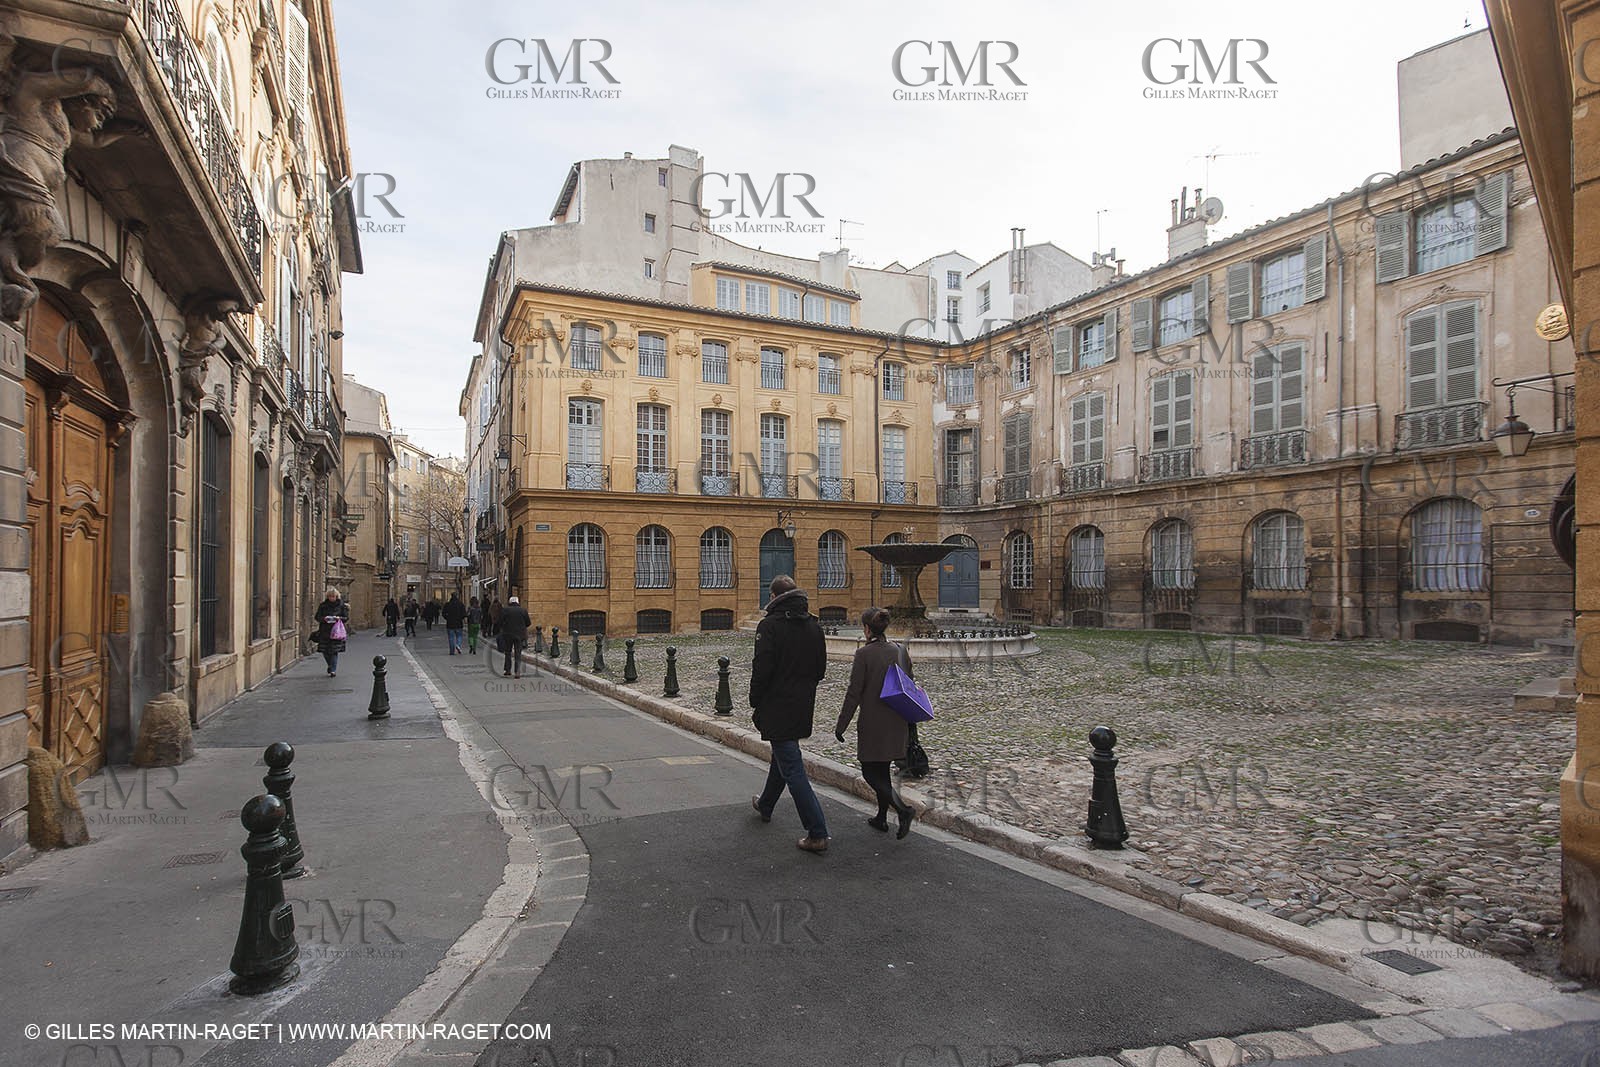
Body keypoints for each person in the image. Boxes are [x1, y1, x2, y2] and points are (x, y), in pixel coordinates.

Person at [749, 575, 830, 852]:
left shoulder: (769, 626)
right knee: (782, 755)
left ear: (773, 597)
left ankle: (817, 831)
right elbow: (821, 670)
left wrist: (755, 699)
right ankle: (766, 804)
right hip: (803, 702)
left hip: (776, 703)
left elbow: (762, 668)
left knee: (792, 766)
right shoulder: (814, 626)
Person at [836, 607, 917, 839]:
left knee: (871, 773)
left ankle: (903, 810)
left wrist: (842, 725)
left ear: (867, 629)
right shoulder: (900, 650)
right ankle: (881, 818)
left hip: (873, 722)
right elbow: (910, 685)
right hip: (896, 719)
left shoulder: (864, 655)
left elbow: (854, 692)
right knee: (881, 769)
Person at [313, 588, 349, 677]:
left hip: (336, 632)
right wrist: (324, 619)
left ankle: (333, 670)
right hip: (325, 631)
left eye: (333, 596)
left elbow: (346, 618)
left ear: (336, 596)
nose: (331, 598)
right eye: (329, 596)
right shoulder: (323, 605)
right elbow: (317, 617)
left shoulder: (341, 606)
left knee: (334, 651)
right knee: (325, 651)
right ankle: (330, 665)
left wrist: (338, 618)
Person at [499, 595, 531, 678]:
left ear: (510, 602)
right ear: (518, 602)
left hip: (508, 634)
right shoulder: (523, 610)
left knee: (508, 652)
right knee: (518, 653)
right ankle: (517, 671)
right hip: (519, 635)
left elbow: (500, 621)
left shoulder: (505, 610)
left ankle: (507, 670)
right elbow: (528, 623)